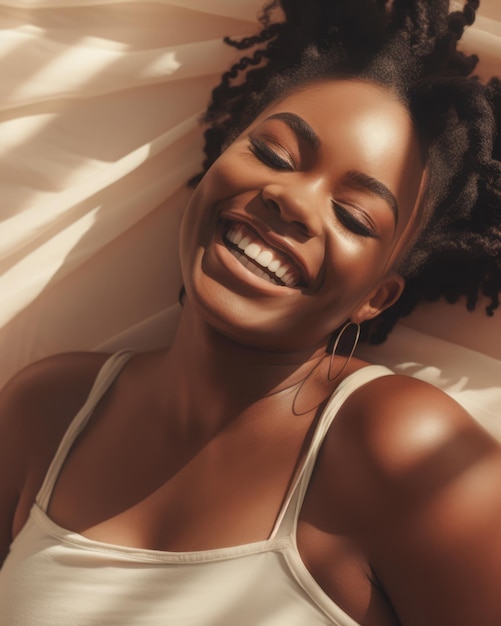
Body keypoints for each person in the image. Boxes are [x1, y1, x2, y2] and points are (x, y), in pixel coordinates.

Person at [1, 0, 501, 624]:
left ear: (378, 295)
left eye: (352, 216)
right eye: (273, 154)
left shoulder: (408, 449)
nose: (290, 199)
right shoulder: (46, 411)